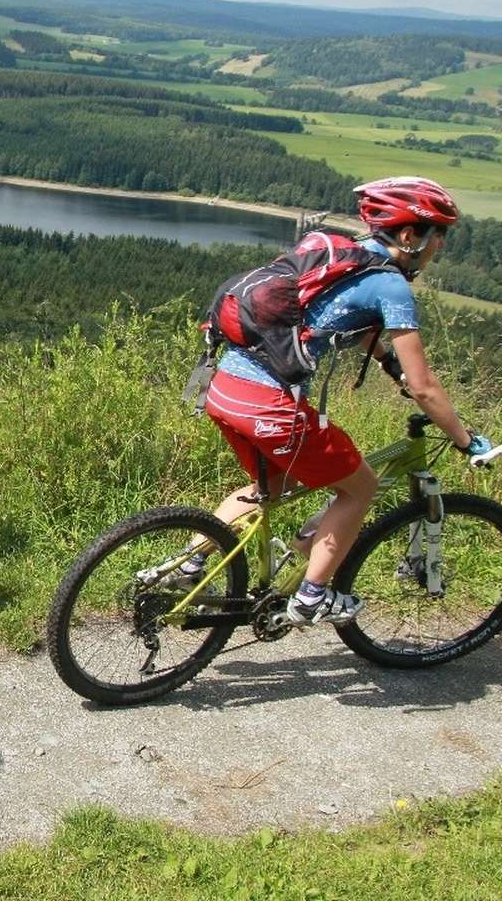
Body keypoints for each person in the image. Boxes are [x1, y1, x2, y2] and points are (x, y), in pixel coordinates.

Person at [191, 176, 491, 625]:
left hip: (224, 389)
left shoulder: (341, 257)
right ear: (409, 236)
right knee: (360, 488)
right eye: (438, 235)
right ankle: (312, 597)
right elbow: (425, 386)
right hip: (271, 405)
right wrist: (467, 440)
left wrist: (391, 371)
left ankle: (187, 568)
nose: (440, 247)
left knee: (268, 488)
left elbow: (357, 324)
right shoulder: (392, 287)